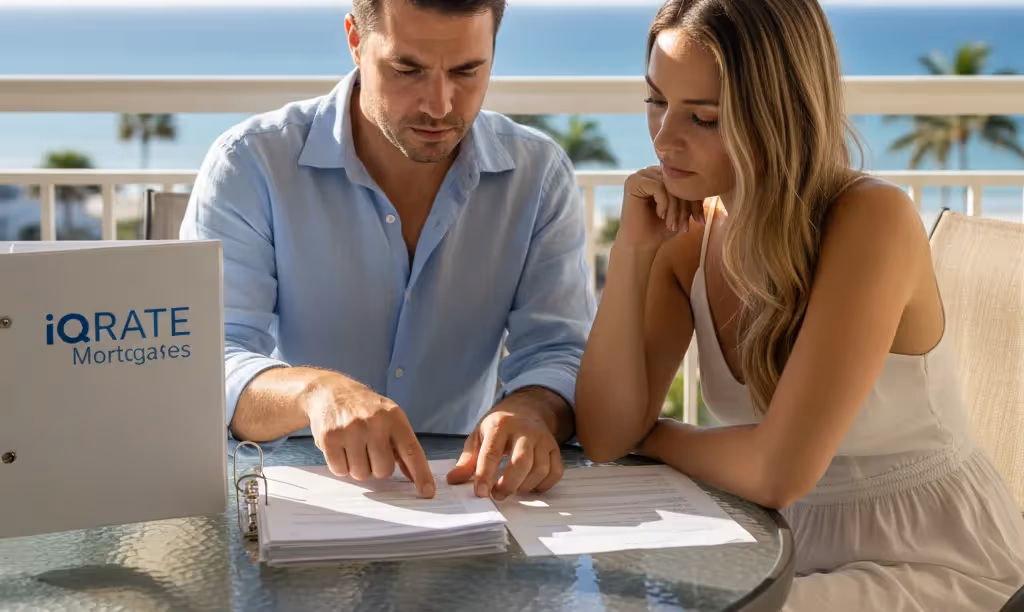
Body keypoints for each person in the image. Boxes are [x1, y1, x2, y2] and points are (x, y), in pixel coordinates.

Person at [574, 0, 1024, 610]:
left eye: (703, 118)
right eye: (656, 101)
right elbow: (603, 435)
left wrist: (654, 437)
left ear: (776, 116)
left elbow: (776, 470)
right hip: (780, 539)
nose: (663, 138)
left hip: (927, 555)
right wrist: (631, 254)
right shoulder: (686, 240)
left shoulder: (870, 221)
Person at [180, 0, 595, 502]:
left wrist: (533, 410)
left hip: (466, 498)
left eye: (467, 71)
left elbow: (560, 351)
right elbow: (205, 363)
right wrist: (314, 393)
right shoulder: (251, 163)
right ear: (355, 40)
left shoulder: (540, 174)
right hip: (298, 493)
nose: (440, 105)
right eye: (407, 69)